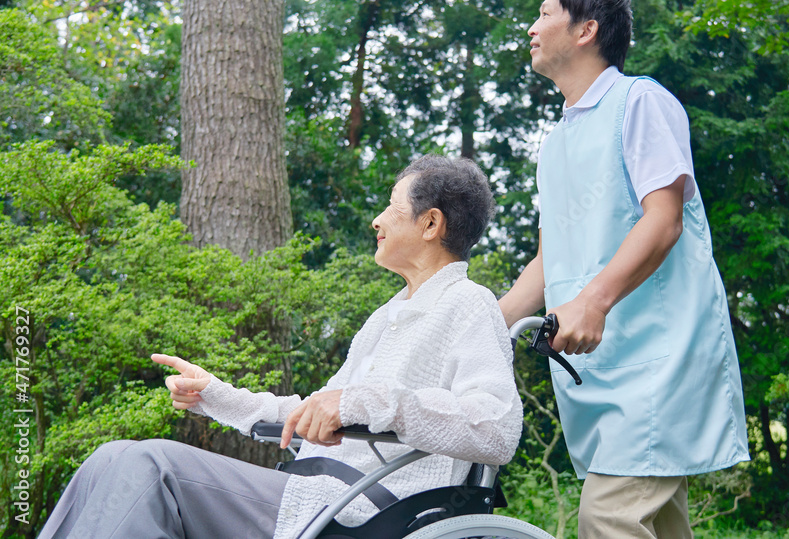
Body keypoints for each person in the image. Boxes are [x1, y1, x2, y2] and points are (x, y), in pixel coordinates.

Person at [39, 155, 523, 539]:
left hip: (363, 507)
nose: (377, 220)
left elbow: (497, 428)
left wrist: (366, 402)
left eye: (391, 208)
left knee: (143, 466)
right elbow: (313, 411)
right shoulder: (386, 319)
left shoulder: (469, 304)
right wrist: (214, 394)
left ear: (430, 223)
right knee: (109, 458)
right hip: (316, 490)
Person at [497, 0, 749, 539]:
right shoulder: (556, 143)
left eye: (544, 13)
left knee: (609, 516)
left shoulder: (641, 102)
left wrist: (593, 302)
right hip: (600, 372)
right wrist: (486, 320)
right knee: (658, 526)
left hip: (659, 358)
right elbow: (547, 260)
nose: (531, 27)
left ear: (585, 30)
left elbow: (664, 222)